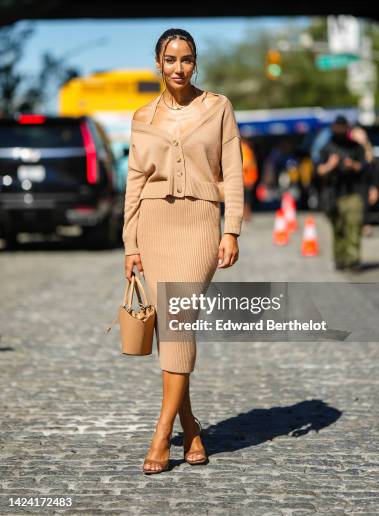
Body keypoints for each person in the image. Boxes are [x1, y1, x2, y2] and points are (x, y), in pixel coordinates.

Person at [122, 28, 244, 474]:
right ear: (158, 62)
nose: (178, 68)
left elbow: (232, 170)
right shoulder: (141, 116)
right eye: (170, 59)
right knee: (170, 328)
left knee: (177, 318)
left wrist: (230, 231)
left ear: (196, 62)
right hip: (153, 225)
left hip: (198, 226)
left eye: (186, 59)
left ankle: (160, 435)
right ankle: (190, 426)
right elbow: (134, 183)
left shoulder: (218, 108)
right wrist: (130, 243)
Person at [316, 116, 366, 271]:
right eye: (337, 128)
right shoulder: (326, 147)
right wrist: (331, 165)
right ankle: (340, 259)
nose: (340, 131)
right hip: (333, 194)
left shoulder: (356, 147)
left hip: (353, 193)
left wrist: (352, 165)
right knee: (338, 228)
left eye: (343, 128)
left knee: (353, 226)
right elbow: (318, 171)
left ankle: (353, 260)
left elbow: (365, 167)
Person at [241, 137, 258, 222]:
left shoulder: (245, 149)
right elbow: (246, 164)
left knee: (246, 198)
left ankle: (246, 215)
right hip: (246, 179)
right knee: (246, 199)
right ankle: (246, 215)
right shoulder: (245, 149)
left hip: (247, 179)